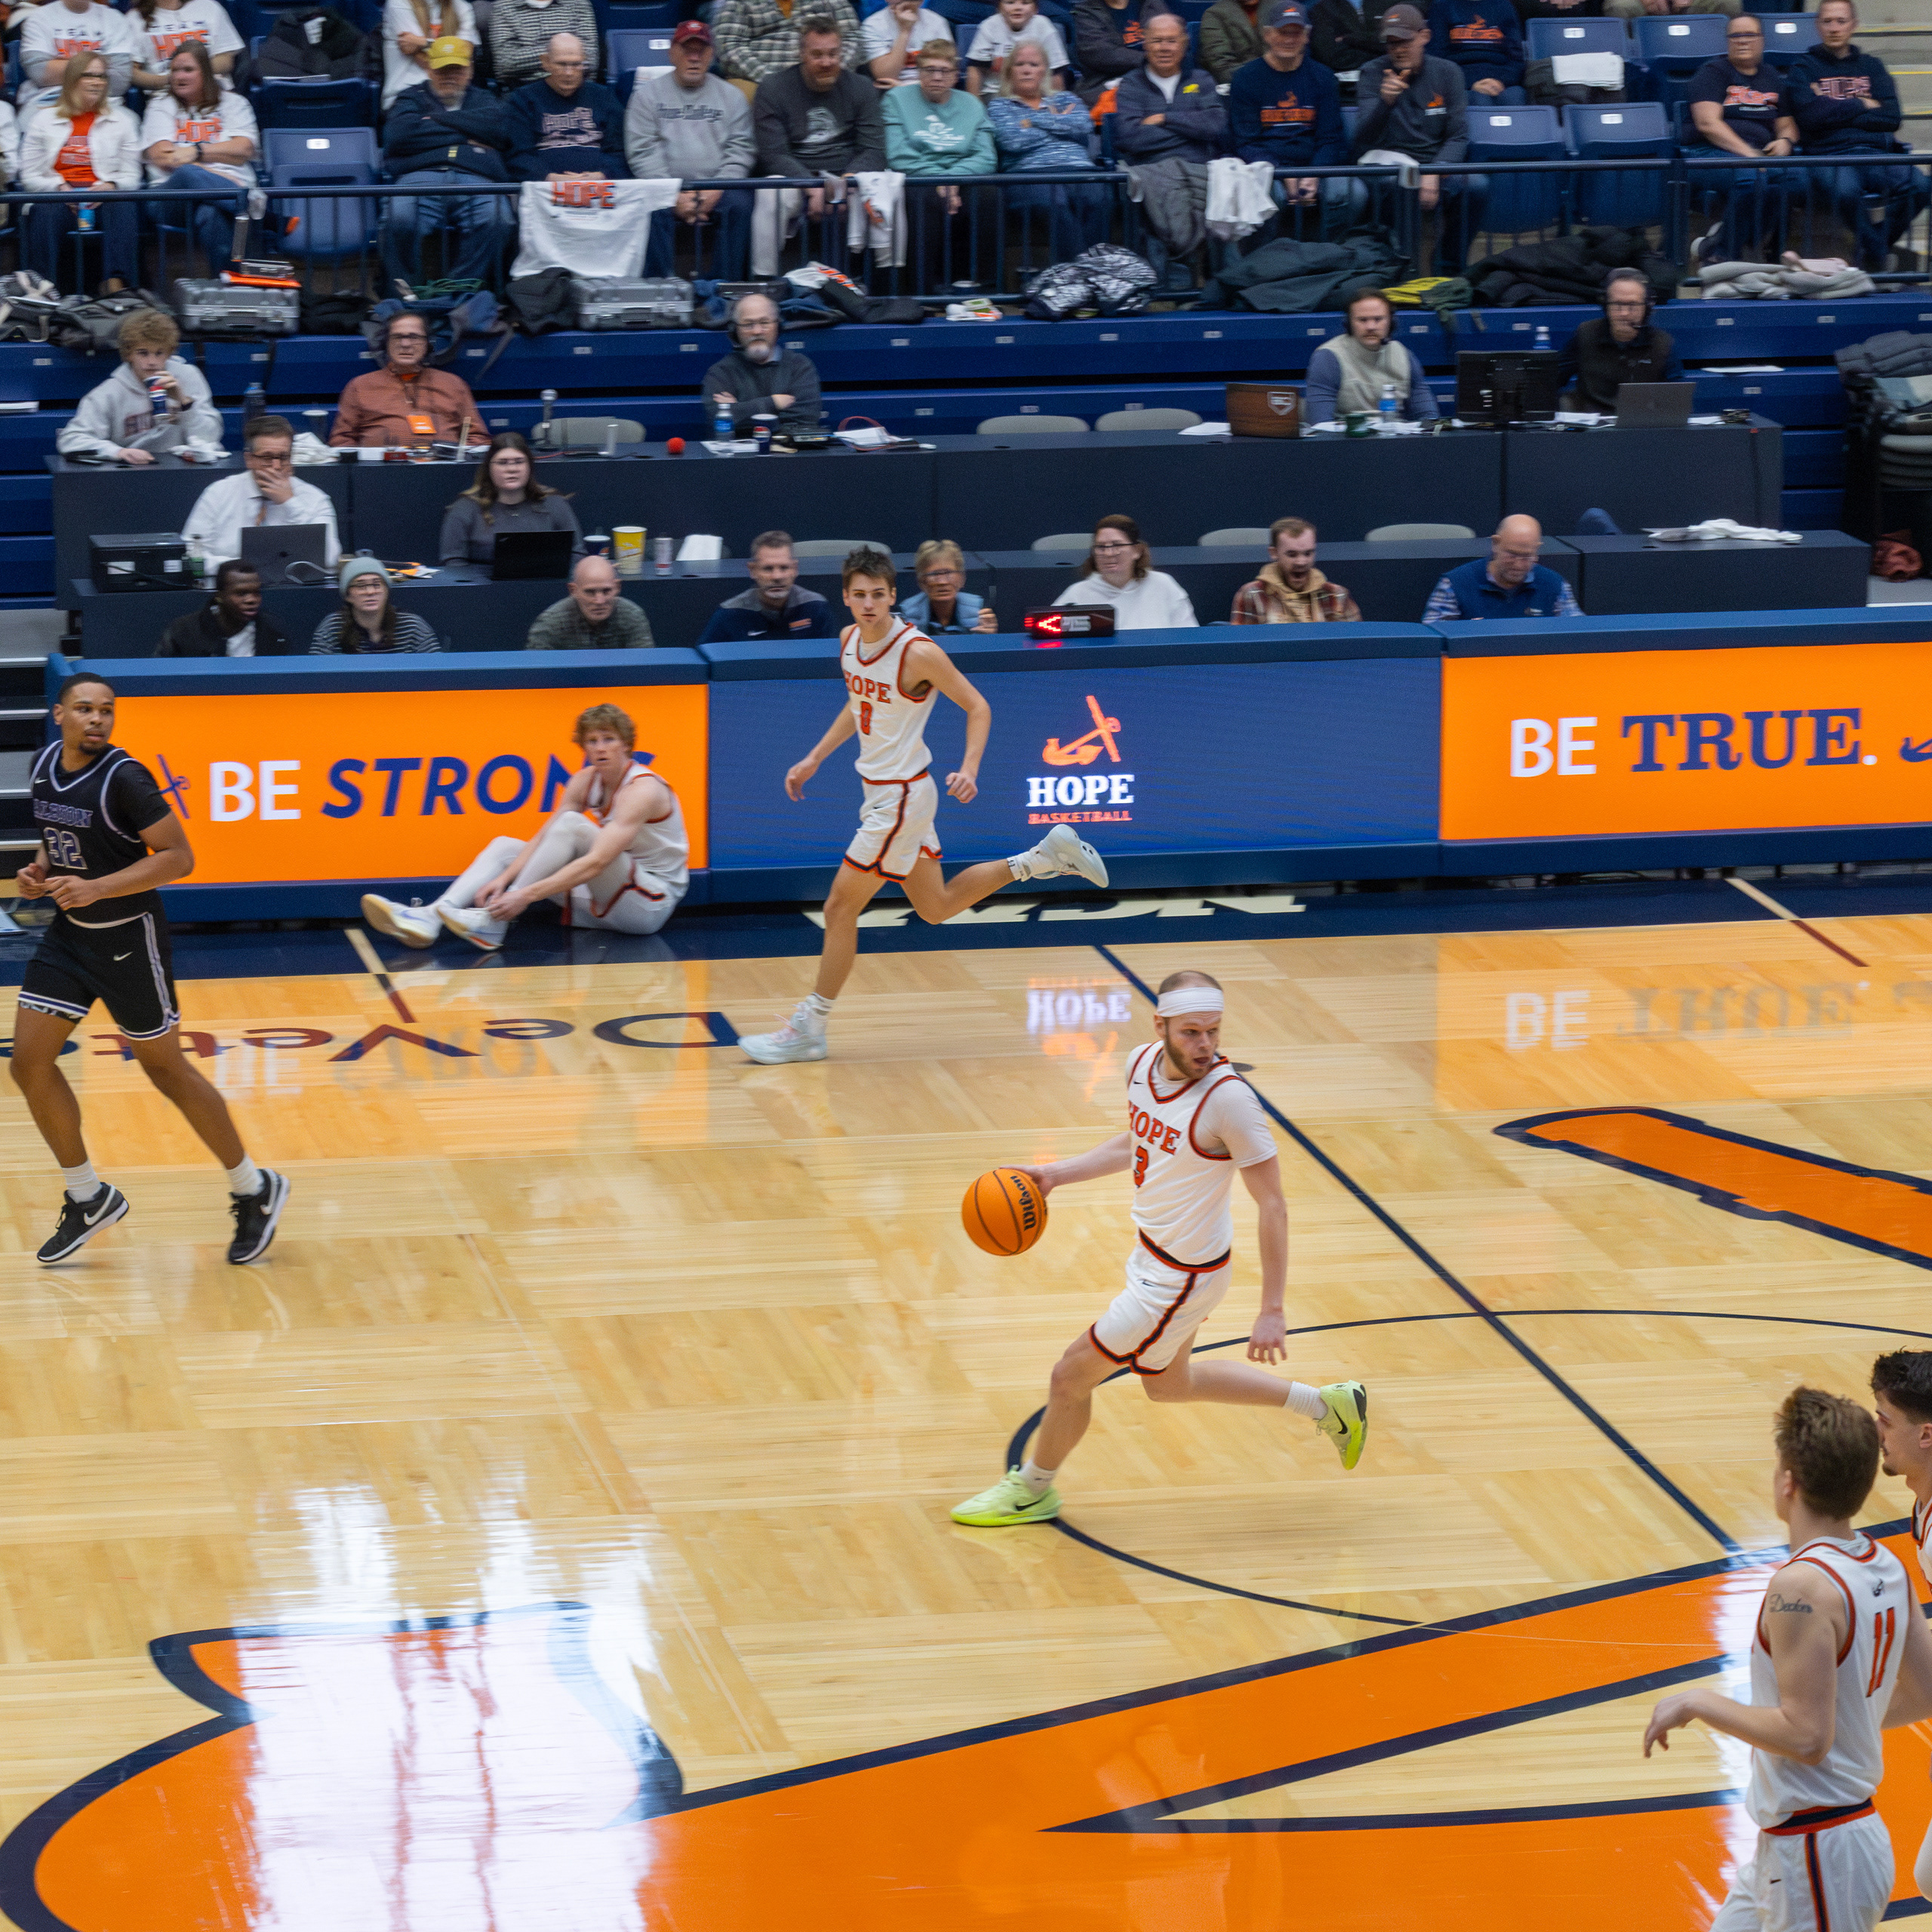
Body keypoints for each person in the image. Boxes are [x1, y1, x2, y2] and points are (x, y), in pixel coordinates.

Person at [950, 970, 1367, 1526]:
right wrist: (1055, 1175)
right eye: (1191, 1033)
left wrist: (1272, 1308)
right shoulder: (1140, 1065)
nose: (1205, 1045)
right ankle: (1328, 1406)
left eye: (1213, 1032)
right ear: (1160, 1026)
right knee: (1170, 1386)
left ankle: (1032, 1489)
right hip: (1155, 1255)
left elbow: (1273, 1205)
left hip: (1181, 1278)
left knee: (1069, 1377)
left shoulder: (1230, 1102)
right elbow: (1137, 1140)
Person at [737, 547, 1109, 1066]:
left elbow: (978, 706)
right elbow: (859, 706)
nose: (869, 604)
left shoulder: (917, 652)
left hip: (902, 798)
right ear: (846, 598)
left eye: (878, 595)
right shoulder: (847, 641)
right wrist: (815, 756)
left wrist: (970, 768)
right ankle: (1042, 858)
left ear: (894, 596)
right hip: (883, 794)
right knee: (935, 907)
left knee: (839, 908)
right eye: (860, 595)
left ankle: (810, 1028)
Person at [11, 672, 288, 1266]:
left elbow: (180, 858)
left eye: (106, 710)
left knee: (166, 1070)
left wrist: (97, 887)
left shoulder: (126, 778)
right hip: (69, 938)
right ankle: (87, 1197)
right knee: (29, 1063)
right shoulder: (43, 766)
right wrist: (39, 873)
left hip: (128, 942)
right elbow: (58, 840)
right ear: (58, 715)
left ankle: (253, 1187)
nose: (97, 719)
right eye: (85, 709)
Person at [1643, 1386, 1932, 1932]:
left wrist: (1699, 1703)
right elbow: (1927, 1692)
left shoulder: (1800, 1586)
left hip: (1819, 1854)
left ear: (1789, 1481)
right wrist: (1851, 1720)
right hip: (1806, 1849)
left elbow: (1806, 1737)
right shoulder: (1886, 1565)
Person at [362, 703, 688, 950]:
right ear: (583, 747)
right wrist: (504, 878)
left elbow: (597, 862)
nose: (600, 747)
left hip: (649, 905)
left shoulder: (643, 790)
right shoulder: (584, 781)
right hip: (603, 902)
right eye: (592, 741)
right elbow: (545, 838)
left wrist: (522, 896)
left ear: (626, 744)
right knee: (506, 846)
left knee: (573, 825)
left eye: (609, 739)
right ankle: (432, 916)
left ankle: (493, 922)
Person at [1788, 0, 1928, 276]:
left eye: (1841, 21)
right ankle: (1877, 254)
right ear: (1817, 26)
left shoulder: (1872, 66)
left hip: (1875, 153)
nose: (1834, 28)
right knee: (1845, 193)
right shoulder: (1803, 68)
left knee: (1921, 186)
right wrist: (1862, 103)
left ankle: (1870, 250)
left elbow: (1891, 117)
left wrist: (1829, 106)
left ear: (1854, 25)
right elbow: (1810, 118)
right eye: (1827, 21)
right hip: (1829, 155)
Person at [1352, 5, 1485, 271]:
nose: (1398, 50)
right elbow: (1363, 138)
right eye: (1391, 44)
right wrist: (1385, 103)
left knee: (1477, 186)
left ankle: (1449, 268)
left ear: (1424, 36)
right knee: (1404, 186)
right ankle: (1403, 270)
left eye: (1405, 41)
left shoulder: (1448, 72)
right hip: (1387, 164)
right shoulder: (1372, 72)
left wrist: (1435, 171)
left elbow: (1458, 135)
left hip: (1434, 162)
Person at [1871, 1349, 1932, 1908]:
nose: (1878, 1433)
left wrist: (1845, 1721)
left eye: (1886, 1420)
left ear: (1926, 1435)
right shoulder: (1924, 1508)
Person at [382, 38, 515, 294]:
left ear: (470, 71)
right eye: (443, 69)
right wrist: (468, 134)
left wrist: (432, 121)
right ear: (430, 69)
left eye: (457, 69)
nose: (449, 76)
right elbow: (399, 136)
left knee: (497, 220)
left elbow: (499, 131)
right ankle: (408, 297)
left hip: (477, 178)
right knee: (400, 219)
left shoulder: (484, 98)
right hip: (419, 177)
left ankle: (459, 292)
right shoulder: (410, 97)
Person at [625, 21, 754, 282]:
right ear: (672, 53)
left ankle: (724, 290)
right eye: (687, 50)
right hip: (664, 186)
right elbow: (643, 151)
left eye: (701, 50)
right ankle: (660, 290)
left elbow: (741, 148)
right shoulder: (646, 97)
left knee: (740, 205)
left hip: (720, 186)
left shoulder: (733, 97)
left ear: (712, 55)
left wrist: (718, 188)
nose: (694, 58)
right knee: (650, 205)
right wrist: (671, 194)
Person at [1228, 1, 1364, 244]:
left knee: (1354, 194)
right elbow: (1246, 143)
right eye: (1283, 32)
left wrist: (1314, 175)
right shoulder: (1245, 78)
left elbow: (1330, 139)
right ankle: (1269, 260)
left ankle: (1324, 252)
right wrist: (1281, 173)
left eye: (1296, 33)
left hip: (1314, 165)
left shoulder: (1323, 77)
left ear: (1307, 36)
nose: (1290, 39)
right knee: (1268, 194)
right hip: (1267, 169)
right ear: (1268, 35)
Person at [1113, 14, 1229, 269]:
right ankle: (1177, 277)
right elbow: (1130, 138)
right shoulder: (1131, 84)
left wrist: (1164, 118)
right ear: (1145, 43)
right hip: (1151, 169)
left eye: (1171, 41)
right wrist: (1190, 131)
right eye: (1157, 41)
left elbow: (1216, 125)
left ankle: (1215, 277)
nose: (1164, 48)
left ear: (1185, 43)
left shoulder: (1201, 79)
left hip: (1200, 168)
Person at [20, 54, 140, 295]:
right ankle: (41, 291)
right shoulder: (43, 120)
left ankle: (116, 288)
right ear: (73, 79)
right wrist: (58, 187)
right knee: (47, 209)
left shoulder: (122, 121)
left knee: (122, 204)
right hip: (58, 197)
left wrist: (111, 185)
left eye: (101, 76)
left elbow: (133, 176)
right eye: (89, 76)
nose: (97, 82)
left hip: (102, 197)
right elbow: (29, 176)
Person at [884, 42, 997, 290]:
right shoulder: (896, 99)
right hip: (918, 178)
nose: (937, 77)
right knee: (925, 199)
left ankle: (983, 285)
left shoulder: (972, 104)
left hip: (961, 177)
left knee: (989, 195)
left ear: (956, 76)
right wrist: (939, 180)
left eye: (945, 71)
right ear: (918, 72)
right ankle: (923, 290)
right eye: (929, 70)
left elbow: (986, 157)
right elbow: (897, 154)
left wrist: (952, 181)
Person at [1685, 17, 1798, 265]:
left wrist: (1785, 141)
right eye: (1736, 36)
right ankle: (1723, 255)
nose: (1743, 41)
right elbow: (1707, 124)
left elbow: (1786, 123)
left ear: (1762, 40)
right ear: (1727, 42)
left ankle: (1760, 251)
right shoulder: (1713, 72)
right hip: (1709, 152)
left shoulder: (1771, 77)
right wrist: (1750, 155)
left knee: (1794, 179)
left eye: (1750, 35)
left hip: (1756, 155)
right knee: (1752, 178)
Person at [140, 42, 257, 271]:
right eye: (174, 70)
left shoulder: (234, 103)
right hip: (171, 197)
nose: (179, 76)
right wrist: (211, 172)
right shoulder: (160, 105)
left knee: (210, 213)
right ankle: (251, 206)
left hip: (218, 200)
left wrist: (197, 151)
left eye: (188, 70)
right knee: (186, 172)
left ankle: (229, 281)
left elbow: (243, 149)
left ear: (206, 73)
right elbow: (164, 158)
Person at [58, 306, 222, 463]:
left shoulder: (188, 376)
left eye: (159, 353)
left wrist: (184, 402)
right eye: (143, 353)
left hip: (184, 469)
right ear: (129, 354)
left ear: (169, 353)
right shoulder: (110, 393)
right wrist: (118, 452)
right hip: (133, 472)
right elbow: (71, 439)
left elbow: (210, 438)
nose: (152, 362)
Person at [988, 42, 1105, 258]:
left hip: (1079, 169)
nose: (1027, 70)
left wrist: (1032, 121)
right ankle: (1087, 270)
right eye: (1020, 64)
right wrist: (1060, 124)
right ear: (1010, 71)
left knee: (1098, 199)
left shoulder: (1066, 98)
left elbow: (1084, 126)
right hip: (1029, 174)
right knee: (1055, 203)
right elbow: (1012, 141)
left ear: (1044, 71)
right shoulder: (1000, 106)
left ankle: (1080, 271)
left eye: (1034, 64)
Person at [752, 17, 886, 205]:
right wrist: (811, 186)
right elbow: (773, 155)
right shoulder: (773, 89)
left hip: (849, 176)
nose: (826, 62)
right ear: (802, 54)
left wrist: (848, 182)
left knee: (881, 189)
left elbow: (873, 150)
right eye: (817, 55)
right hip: (795, 179)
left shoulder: (861, 87)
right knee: (773, 193)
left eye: (833, 54)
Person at [182, 415, 341, 571]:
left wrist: (290, 503)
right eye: (267, 457)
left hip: (293, 585)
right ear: (249, 459)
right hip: (230, 586)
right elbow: (191, 553)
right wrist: (240, 569)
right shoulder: (218, 494)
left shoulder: (315, 499)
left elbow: (330, 557)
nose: (276, 466)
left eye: (283, 457)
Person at [330, 311, 484, 449]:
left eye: (414, 337)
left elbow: (478, 438)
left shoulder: (453, 384)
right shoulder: (360, 386)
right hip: (380, 469)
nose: (405, 344)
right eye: (397, 337)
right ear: (386, 343)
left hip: (443, 468)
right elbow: (341, 441)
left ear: (427, 344)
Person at [440, 432, 585, 568]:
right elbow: (453, 561)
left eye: (519, 462)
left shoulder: (554, 504)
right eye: (502, 463)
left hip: (547, 583)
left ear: (529, 467)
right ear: (489, 468)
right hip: (483, 585)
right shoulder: (465, 508)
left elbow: (577, 553)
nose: (512, 469)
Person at [1304, 288, 1439, 424]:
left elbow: (1428, 415)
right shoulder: (1328, 357)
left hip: (1394, 433)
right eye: (1363, 320)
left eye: (1378, 319)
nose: (1371, 327)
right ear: (1349, 324)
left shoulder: (1403, 354)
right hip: (1349, 434)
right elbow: (1321, 423)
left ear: (1391, 322)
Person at [1555, 267, 1683, 411]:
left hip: (1642, 422)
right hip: (1592, 422)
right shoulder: (1585, 334)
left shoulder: (1663, 344)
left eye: (1632, 305)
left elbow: (1677, 402)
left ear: (1646, 308)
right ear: (1605, 306)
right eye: (1617, 305)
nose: (1624, 313)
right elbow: (1551, 381)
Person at [507, 32, 630, 182]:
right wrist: (550, 178)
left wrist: (602, 175)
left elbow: (619, 151)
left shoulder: (604, 97)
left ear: (584, 62)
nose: (569, 72)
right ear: (545, 62)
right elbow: (518, 154)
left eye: (576, 64)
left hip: (600, 186)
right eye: (561, 64)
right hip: (544, 187)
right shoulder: (522, 99)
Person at [702, 291, 823, 435]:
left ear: (778, 326)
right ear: (735, 331)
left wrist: (741, 410)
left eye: (764, 323)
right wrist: (774, 403)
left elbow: (806, 420)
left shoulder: (800, 366)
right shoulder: (721, 372)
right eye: (748, 324)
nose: (757, 331)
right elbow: (718, 420)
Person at [1423, 513, 1581, 620]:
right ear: (1495, 544)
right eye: (1511, 554)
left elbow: (1577, 635)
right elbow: (1434, 644)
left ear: (1537, 550)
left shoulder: (1555, 585)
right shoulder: (1455, 584)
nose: (1518, 564)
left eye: (1527, 557)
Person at [1053, 513, 1198, 629]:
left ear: (1137, 551)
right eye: (1101, 547)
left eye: (1117, 545)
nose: (1108, 553)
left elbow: (1188, 637)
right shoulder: (1077, 595)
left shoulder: (1164, 585)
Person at [697, 530, 841, 642]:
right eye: (768, 569)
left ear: (795, 569)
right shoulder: (730, 614)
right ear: (753, 571)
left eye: (784, 568)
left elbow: (833, 661)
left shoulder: (816, 607)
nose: (777, 577)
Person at [1230, 518, 1361, 622]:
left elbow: (1355, 644)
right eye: (1292, 555)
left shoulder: (1338, 595)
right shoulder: (1251, 595)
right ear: (1274, 553)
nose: (1301, 562)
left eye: (1308, 554)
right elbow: (1242, 645)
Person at [154, 559, 291, 657]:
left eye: (256, 593)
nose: (251, 600)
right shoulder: (183, 631)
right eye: (241, 593)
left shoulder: (273, 629)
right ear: (219, 595)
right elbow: (160, 678)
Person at [715, 0, 860, 91]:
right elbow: (729, 46)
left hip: (824, 74)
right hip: (760, 81)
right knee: (741, 93)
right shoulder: (739, 3)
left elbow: (853, 39)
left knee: (859, 87)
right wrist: (771, 79)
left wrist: (831, 70)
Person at [309, 557, 441, 654]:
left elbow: (436, 674)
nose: (370, 592)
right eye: (361, 586)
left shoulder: (413, 627)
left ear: (387, 591)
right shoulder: (332, 628)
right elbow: (316, 678)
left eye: (377, 584)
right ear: (348, 595)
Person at [525, 555, 656, 649]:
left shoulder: (632, 616)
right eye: (590, 592)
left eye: (606, 591)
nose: (600, 601)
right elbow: (536, 672)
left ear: (617, 587)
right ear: (573, 590)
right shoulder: (551, 623)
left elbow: (644, 669)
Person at [20, 0, 132, 99]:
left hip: (102, 102)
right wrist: (100, 67)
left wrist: (60, 65)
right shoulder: (38, 18)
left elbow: (119, 81)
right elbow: (39, 72)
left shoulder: (115, 19)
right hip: (49, 100)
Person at [1071, 0, 1173, 106]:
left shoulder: (1150, 4)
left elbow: (1172, 39)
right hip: (1107, 83)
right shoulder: (1086, 11)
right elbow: (1101, 54)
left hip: (1157, 77)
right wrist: (1151, 59)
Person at [381, 0, 477, 110]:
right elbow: (424, 60)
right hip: (404, 96)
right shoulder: (399, 3)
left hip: (453, 99)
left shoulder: (462, 7)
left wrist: (422, 42)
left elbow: (466, 54)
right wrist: (453, 50)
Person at [126, 0, 243, 91]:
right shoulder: (134, 18)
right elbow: (131, 71)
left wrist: (192, 74)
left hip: (215, 91)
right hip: (166, 96)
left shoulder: (209, 7)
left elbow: (226, 60)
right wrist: (169, 80)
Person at [489, 0, 599, 94]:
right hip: (523, 90)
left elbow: (590, 59)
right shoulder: (504, 6)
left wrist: (542, 57)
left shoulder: (579, 4)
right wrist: (563, 50)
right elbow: (506, 63)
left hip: (577, 90)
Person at [965, 0, 1069, 97]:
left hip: (1037, 94)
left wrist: (1056, 103)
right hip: (996, 93)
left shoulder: (1044, 26)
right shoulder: (989, 26)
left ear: (1035, 9)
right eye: (1010, 2)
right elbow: (975, 69)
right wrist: (975, 105)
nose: (1017, 8)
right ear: (999, 8)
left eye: (1025, 3)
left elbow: (1056, 72)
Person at [1429, 0, 1522, 103]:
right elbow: (1436, 59)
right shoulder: (1442, 6)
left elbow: (1516, 58)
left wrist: (1501, 81)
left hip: (1502, 80)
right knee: (1479, 100)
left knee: (1514, 96)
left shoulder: (1504, 6)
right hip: (1460, 80)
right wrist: (1470, 83)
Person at [900, 538, 996, 632]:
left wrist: (987, 637)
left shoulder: (978, 610)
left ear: (961, 578)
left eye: (948, 573)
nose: (942, 582)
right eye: (934, 574)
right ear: (922, 581)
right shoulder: (907, 615)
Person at [866, 0, 953, 88]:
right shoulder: (873, 25)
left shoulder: (937, 22)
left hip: (932, 89)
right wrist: (905, 31)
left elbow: (947, 73)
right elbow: (886, 76)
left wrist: (905, 86)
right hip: (892, 91)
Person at [1309, 0, 1395, 77]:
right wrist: (1377, 55)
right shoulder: (1322, 8)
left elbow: (1392, 40)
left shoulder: (1389, 3)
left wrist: (1349, 39)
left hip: (1388, 74)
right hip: (1342, 82)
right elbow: (1328, 54)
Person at [1199, 0, 1261, 87]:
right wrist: (1264, 78)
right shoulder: (1215, 14)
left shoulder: (1276, 6)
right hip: (1244, 84)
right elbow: (1222, 68)